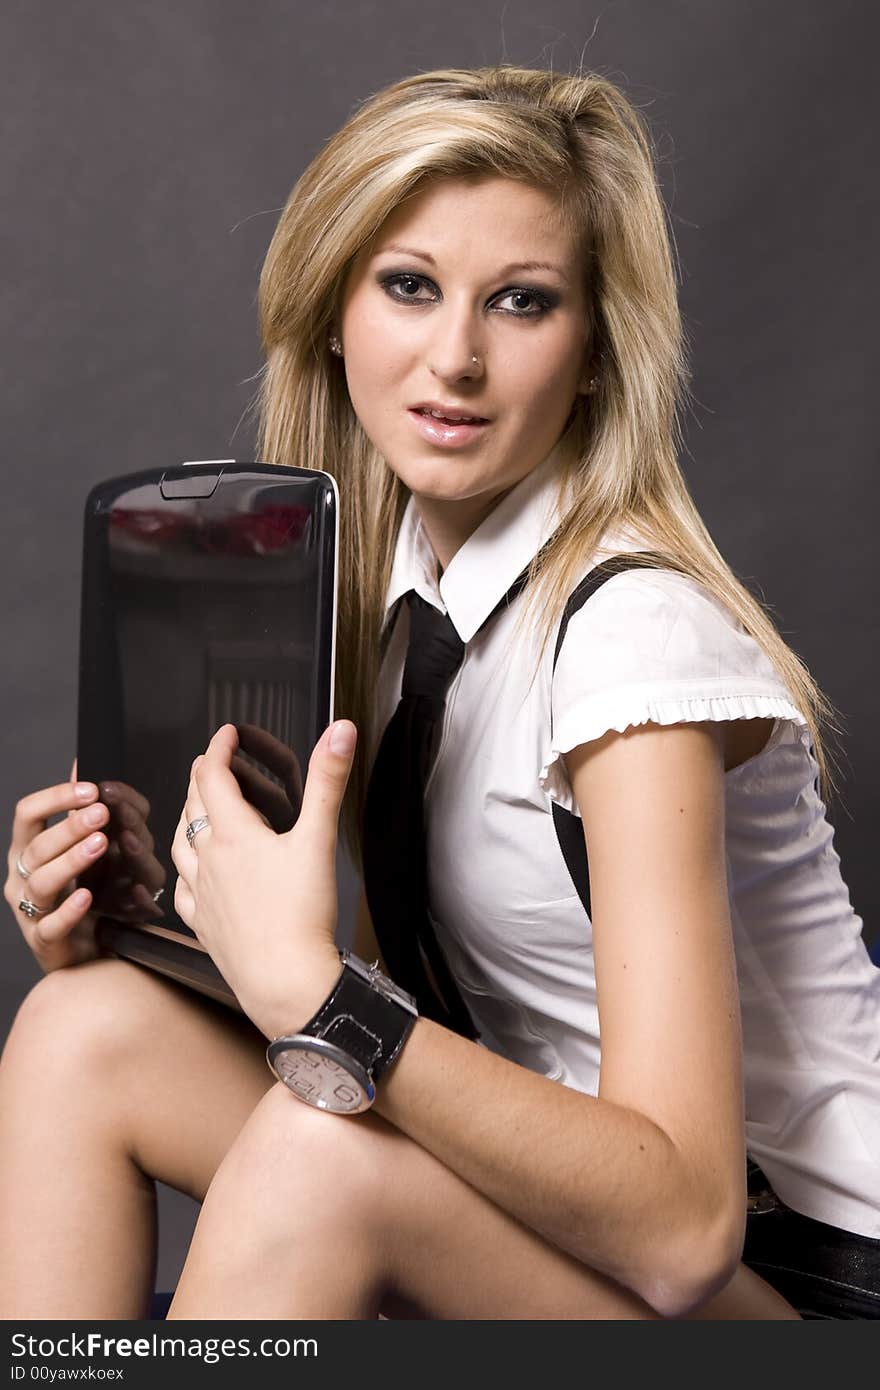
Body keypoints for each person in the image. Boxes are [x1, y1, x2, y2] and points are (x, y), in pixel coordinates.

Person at [2, 64, 879, 1322]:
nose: (455, 357)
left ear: (591, 356)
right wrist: (146, 921)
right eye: (409, 287)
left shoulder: (629, 639)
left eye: (521, 303)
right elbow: (439, 1017)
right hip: (557, 1217)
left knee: (322, 1160)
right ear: (335, 312)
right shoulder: (397, 597)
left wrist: (316, 993)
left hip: (788, 1282)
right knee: (83, 1027)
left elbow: (688, 1226)